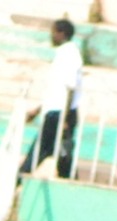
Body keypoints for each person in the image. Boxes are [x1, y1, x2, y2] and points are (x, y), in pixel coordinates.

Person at [19, 19, 84, 178]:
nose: (52, 36)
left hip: (59, 115)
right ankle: (70, 185)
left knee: (40, 154)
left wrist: (65, 118)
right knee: (62, 159)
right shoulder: (63, 53)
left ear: (61, 33)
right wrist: (38, 109)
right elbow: (58, 91)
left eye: (53, 32)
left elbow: (70, 89)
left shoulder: (70, 54)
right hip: (56, 112)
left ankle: (16, 182)